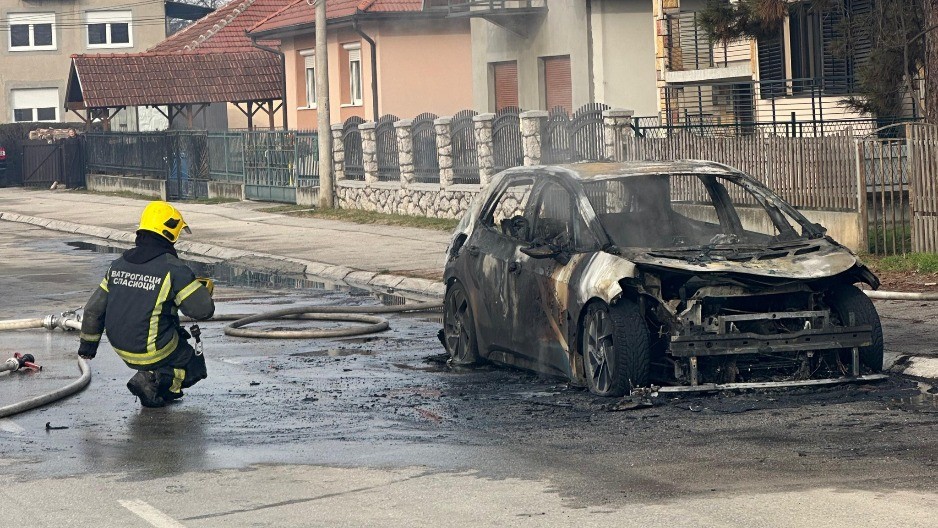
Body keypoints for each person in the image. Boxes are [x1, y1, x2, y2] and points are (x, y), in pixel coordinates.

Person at [78, 201, 215, 408]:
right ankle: (155, 380)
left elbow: (93, 309)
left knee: (169, 328)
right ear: (169, 233)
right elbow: (203, 311)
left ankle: (153, 381)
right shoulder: (174, 269)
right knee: (193, 365)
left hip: (120, 347)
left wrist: (88, 347)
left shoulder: (118, 265)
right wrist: (200, 291)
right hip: (151, 349)